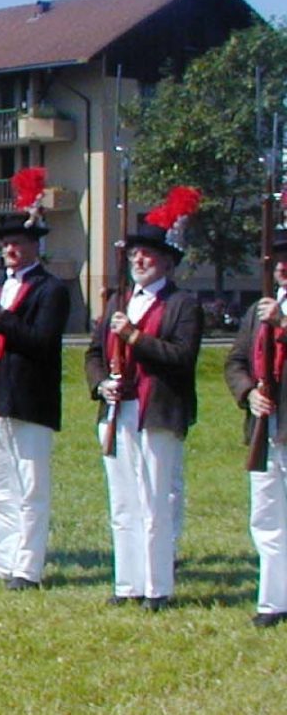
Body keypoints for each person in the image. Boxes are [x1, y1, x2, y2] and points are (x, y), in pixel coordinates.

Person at [85, 200, 204, 610]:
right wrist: (101, 384)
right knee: (123, 503)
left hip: (157, 411)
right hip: (117, 411)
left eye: (148, 254)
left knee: (155, 501)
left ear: (166, 262)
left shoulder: (182, 304)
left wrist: (135, 338)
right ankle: (128, 583)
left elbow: (182, 356)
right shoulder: (118, 301)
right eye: (135, 253)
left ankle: (157, 588)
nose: (139, 260)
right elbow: (94, 353)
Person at [0, 212, 70, 590]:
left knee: (30, 487)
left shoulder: (51, 290)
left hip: (29, 399)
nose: (10, 249)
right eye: (6, 243)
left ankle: (27, 567)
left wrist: (2, 316)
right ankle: (2, 559)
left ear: (34, 246)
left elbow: (42, 341)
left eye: (17, 243)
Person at [225, 228, 287, 628]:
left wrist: (282, 324)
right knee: (266, 517)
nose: (282, 266)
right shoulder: (257, 310)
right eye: (278, 259)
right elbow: (236, 361)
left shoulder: (274, 313)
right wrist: (248, 393)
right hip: (265, 425)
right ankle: (273, 600)